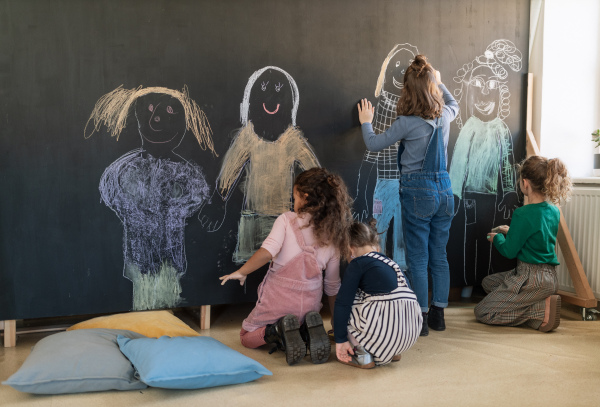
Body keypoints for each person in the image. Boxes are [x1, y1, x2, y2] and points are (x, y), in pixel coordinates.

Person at [357, 54, 459, 336]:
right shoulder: (445, 116)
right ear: (432, 87)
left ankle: (422, 318)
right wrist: (441, 81)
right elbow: (454, 104)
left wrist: (366, 121)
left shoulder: (407, 122)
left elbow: (373, 143)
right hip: (444, 191)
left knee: (417, 257)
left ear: (408, 90)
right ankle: (439, 314)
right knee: (439, 255)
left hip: (418, 193)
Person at [219, 167, 353, 365]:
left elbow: (267, 253)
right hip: (310, 305)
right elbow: (333, 285)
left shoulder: (286, 220)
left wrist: (242, 272)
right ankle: (305, 329)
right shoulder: (333, 235)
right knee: (302, 317)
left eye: (295, 197)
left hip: (277, 301)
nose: (294, 202)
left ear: (305, 197)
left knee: (246, 336)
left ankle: (276, 330)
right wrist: (335, 321)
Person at [474, 156, 572, 332]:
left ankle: (539, 311)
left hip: (530, 278)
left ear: (525, 183)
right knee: (489, 283)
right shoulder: (553, 210)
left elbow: (509, 251)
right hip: (548, 276)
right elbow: (536, 236)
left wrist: (496, 238)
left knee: (483, 311)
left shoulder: (522, 213)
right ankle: (540, 302)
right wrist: (512, 231)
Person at [334, 221, 422, 368]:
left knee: (347, 303)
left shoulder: (357, 263)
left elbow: (342, 303)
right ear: (375, 245)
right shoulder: (391, 263)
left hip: (383, 330)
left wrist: (340, 339)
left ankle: (362, 355)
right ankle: (393, 351)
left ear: (350, 249)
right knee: (385, 300)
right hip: (410, 334)